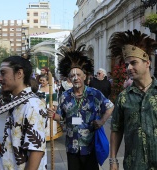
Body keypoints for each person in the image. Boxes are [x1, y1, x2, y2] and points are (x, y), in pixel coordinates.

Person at [47, 35, 114, 170]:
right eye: (72, 76)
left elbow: (110, 106)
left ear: (84, 76)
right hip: (72, 147)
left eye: (78, 75)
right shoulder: (65, 96)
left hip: (90, 146)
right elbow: (63, 117)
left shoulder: (94, 94)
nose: (76, 78)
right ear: (69, 79)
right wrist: (53, 115)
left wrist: (102, 121)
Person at [108, 29, 157, 170]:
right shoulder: (123, 98)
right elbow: (116, 130)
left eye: (133, 63)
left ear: (147, 63)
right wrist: (113, 161)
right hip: (134, 165)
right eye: (126, 64)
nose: (128, 68)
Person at [0, 55, 47, 170]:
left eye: (3, 73)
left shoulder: (32, 105)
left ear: (19, 73)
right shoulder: (17, 103)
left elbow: (36, 151)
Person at [37, 75, 63, 141]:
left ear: (48, 81)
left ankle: (50, 136)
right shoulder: (38, 89)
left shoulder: (52, 90)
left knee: (50, 122)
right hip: (41, 109)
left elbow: (55, 100)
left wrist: (54, 108)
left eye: (43, 80)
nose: (42, 82)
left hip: (50, 108)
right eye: (41, 80)